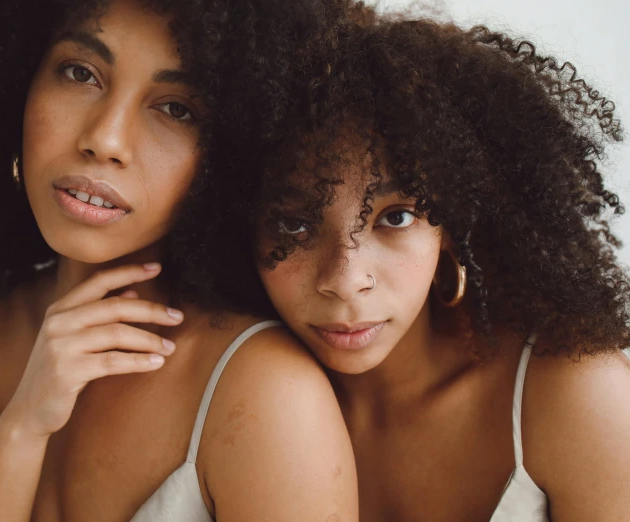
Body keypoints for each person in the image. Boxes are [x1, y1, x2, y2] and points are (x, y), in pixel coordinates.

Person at [0, 0, 359, 520]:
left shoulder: (267, 393)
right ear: (16, 83)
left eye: (177, 109)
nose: (105, 139)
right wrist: (23, 424)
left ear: (233, 154)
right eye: (81, 73)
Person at [251, 6, 630, 521]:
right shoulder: (246, 406)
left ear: (451, 223)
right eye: (294, 225)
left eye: (396, 216)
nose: (345, 281)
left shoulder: (574, 394)